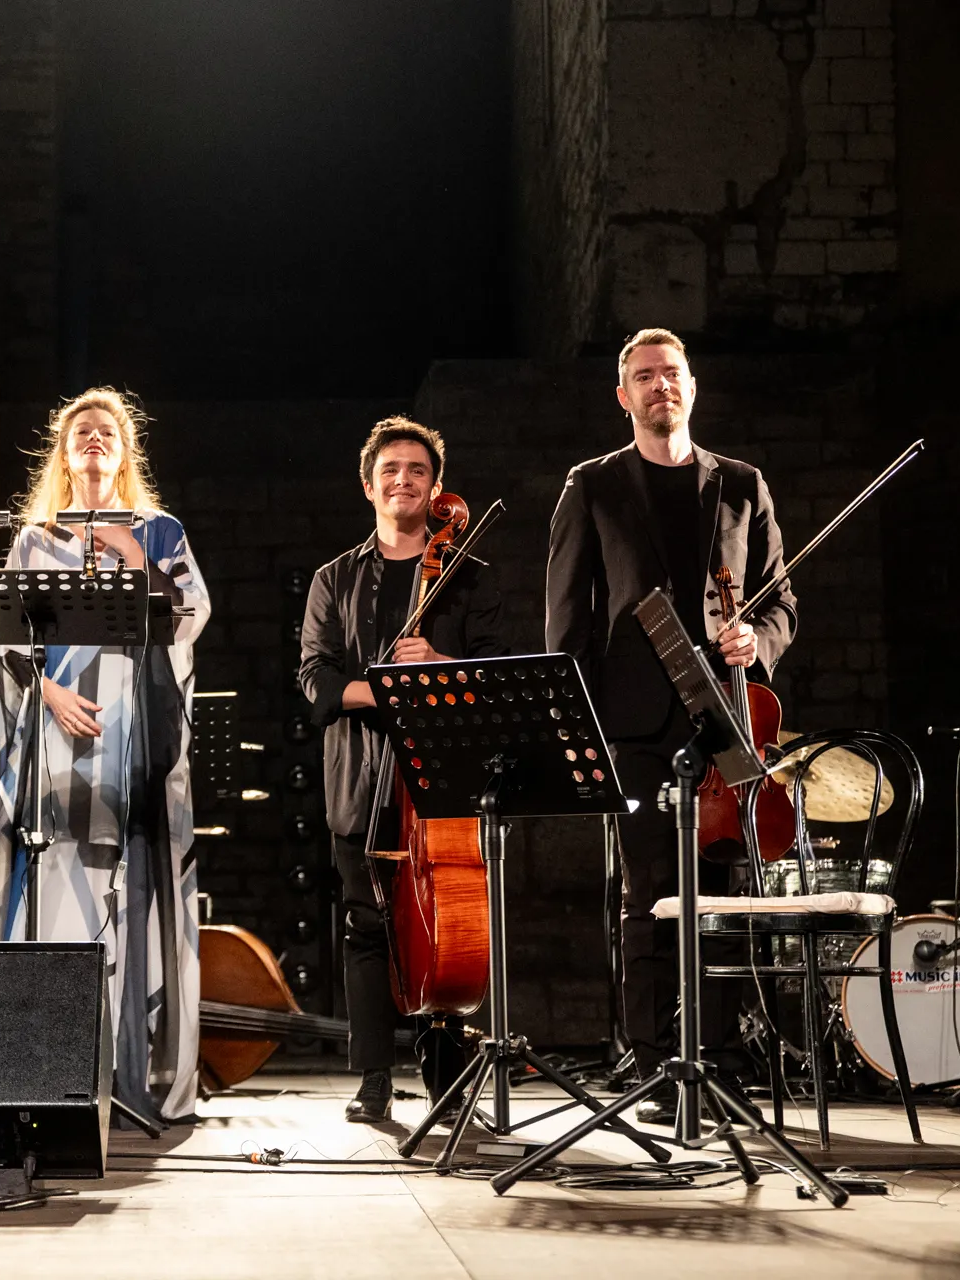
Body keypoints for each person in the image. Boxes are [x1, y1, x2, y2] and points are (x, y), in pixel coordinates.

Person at [546, 327, 798, 1123]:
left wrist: (757, 639)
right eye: (645, 376)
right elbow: (566, 626)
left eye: (674, 374)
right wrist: (578, 727)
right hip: (632, 720)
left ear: (694, 387)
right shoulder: (591, 486)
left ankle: (720, 1061)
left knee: (723, 891)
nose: (662, 386)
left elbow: (780, 601)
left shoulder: (742, 485)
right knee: (650, 894)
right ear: (624, 396)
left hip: (724, 710)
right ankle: (656, 1064)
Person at [0, 388, 210, 1125]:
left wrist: (134, 553)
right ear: (64, 452)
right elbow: (6, 642)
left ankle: (132, 1073)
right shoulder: (34, 539)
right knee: (60, 886)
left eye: (108, 432)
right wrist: (47, 693)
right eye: (83, 433)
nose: (95, 441)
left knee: (131, 891)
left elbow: (191, 614)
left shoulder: (160, 530)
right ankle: (47, 1063)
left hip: (134, 740)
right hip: (54, 742)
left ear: (124, 449)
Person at [298, 417, 508, 1123]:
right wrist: (389, 688)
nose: (403, 480)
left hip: (439, 776)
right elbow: (318, 682)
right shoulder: (335, 579)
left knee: (442, 924)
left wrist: (441, 671)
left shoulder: (467, 575)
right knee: (366, 925)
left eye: (417, 470)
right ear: (369, 485)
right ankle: (374, 1080)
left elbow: (493, 677)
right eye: (390, 469)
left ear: (435, 486)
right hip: (360, 774)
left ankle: (447, 1078)